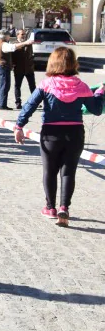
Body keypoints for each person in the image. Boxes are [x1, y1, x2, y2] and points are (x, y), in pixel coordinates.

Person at [15, 47, 105, 226]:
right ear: (73, 63)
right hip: (75, 133)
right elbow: (96, 109)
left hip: (51, 134)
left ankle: (50, 208)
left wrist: (19, 126)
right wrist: (101, 93)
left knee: (49, 171)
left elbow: (30, 105)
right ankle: (64, 207)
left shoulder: (46, 84)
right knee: (68, 172)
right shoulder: (81, 86)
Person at [0, 29, 33, 110]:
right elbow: (13, 47)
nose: (9, 37)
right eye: (8, 35)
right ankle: (2, 105)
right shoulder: (3, 44)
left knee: (0, 85)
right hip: (3, 66)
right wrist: (25, 43)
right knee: (5, 85)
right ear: (5, 36)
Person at [12, 28, 37, 108]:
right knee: (17, 86)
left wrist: (32, 64)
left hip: (29, 69)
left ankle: (35, 102)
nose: (23, 36)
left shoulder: (29, 44)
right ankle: (18, 102)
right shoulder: (14, 44)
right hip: (19, 69)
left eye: (24, 34)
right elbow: (12, 57)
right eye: (22, 34)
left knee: (33, 86)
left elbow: (31, 55)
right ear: (17, 35)